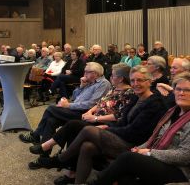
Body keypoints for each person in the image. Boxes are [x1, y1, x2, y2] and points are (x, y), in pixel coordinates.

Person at [30, 65, 167, 184]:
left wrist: (106, 127)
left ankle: (60, 159)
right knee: (86, 146)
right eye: (133, 80)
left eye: (140, 80)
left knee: (83, 128)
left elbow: (132, 132)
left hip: (134, 145)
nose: (136, 83)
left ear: (149, 82)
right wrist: (107, 126)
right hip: (119, 132)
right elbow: (122, 121)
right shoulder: (136, 97)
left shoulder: (153, 103)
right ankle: (77, 180)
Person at [90, 72, 190, 185]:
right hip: (159, 158)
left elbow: (185, 155)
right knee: (125, 175)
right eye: (178, 89)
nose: (181, 93)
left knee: (127, 158)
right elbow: (154, 138)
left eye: (187, 90)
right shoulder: (172, 112)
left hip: (180, 170)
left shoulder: (157, 104)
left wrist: (150, 152)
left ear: (148, 82)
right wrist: (139, 149)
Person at [19, 62, 111, 147]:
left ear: (96, 73)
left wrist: (68, 105)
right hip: (75, 109)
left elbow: (92, 104)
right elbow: (74, 97)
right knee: (51, 120)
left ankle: (36, 134)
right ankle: (44, 156)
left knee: (51, 108)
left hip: (85, 114)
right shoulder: (89, 82)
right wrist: (81, 86)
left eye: (87, 72)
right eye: (85, 71)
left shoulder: (103, 84)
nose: (84, 74)